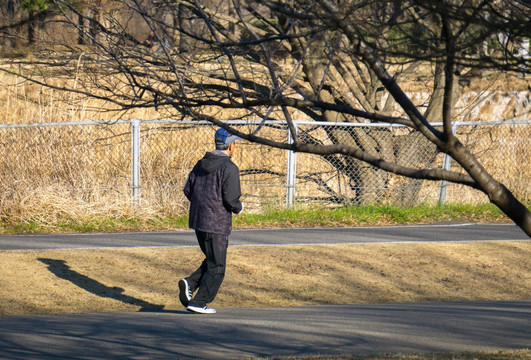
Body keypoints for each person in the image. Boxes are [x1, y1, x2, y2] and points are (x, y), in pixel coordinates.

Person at [179, 128, 243, 314]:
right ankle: (199, 302)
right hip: (217, 223)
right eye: (235, 143)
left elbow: (188, 190)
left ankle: (189, 283)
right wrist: (239, 208)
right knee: (218, 266)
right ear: (231, 145)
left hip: (199, 221)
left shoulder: (200, 164)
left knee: (212, 260)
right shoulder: (229, 168)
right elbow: (231, 199)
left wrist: (203, 207)